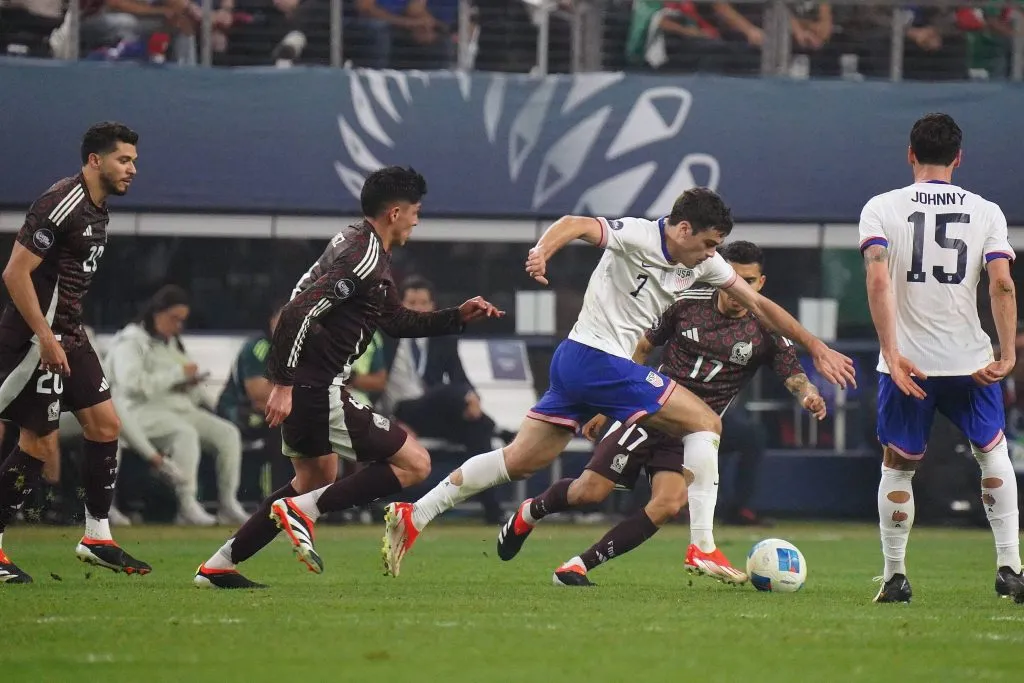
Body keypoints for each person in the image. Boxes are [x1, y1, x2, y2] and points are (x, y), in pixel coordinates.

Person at [382, 188, 857, 578]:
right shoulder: (638, 234)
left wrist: (816, 347)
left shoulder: (705, 265)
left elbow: (761, 307)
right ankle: (703, 546)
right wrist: (542, 250)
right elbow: (575, 222)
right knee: (706, 422)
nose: (713, 255)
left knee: (520, 461)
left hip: (579, 364)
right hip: (597, 359)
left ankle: (416, 513)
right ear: (683, 229)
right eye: (709, 243)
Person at [193, 166, 502, 588]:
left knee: (314, 480)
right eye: (416, 212)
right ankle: (303, 511)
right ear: (395, 212)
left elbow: (395, 321)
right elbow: (297, 311)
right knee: (415, 464)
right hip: (317, 387)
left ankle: (219, 565)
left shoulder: (360, 243)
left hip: (308, 384)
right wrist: (282, 383)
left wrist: (456, 317)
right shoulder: (364, 256)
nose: (417, 221)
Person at [495, 240, 826, 585]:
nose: (739, 290)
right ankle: (530, 511)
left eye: (750, 281)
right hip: (649, 412)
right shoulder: (686, 303)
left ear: (761, 283)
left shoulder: (767, 329)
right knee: (589, 492)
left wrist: (809, 396)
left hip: (693, 435)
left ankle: (576, 567)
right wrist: (607, 407)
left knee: (669, 503)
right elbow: (642, 347)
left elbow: (795, 376)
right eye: (735, 279)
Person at [860, 113, 1024, 604]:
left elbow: (877, 279)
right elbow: (1001, 283)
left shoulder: (881, 208)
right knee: (992, 453)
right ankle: (1010, 568)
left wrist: (891, 353)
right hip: (970, 362)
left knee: (898, 466)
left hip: (908, 365)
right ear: (959, 158)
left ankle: (895, 577)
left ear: (910, 154)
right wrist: (1007, 352)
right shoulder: (987, 211)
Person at [0, 122, 150, 585]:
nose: (132, 169)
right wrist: (45, 337)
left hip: (69, 335)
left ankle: (96, 537)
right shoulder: (62, 201)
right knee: (38, 443)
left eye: (134, 161)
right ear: (94, 160)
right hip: (35, 340)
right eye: (123, 160)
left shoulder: (98, 209)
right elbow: (15, 273)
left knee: (106, 425)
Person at [106, 285, 249, 526]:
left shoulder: (171, 343)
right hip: (141, 412)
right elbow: (131, 384)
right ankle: (186, 504)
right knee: (185, 434)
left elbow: (181, 381)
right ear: (157, 312)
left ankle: (228, 503)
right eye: (174, 318)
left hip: (179, 409)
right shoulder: (131, 342)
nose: (178, 326)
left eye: (182, 320)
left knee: (228, 433)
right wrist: (177, 374)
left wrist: (190, 383)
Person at [380, 276, 505, 524]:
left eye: (423, 303)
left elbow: (459, 376)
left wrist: (472, 397)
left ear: (432, 306)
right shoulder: (387, 336)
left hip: (434, 412)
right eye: (412, 303)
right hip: (401, 412)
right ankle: (500, 430)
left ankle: (493, 510)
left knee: (478, 428)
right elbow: (375, 383)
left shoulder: (441, 337)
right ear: (401, 305)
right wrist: (387, 420)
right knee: (447, 394)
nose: (418, 309)